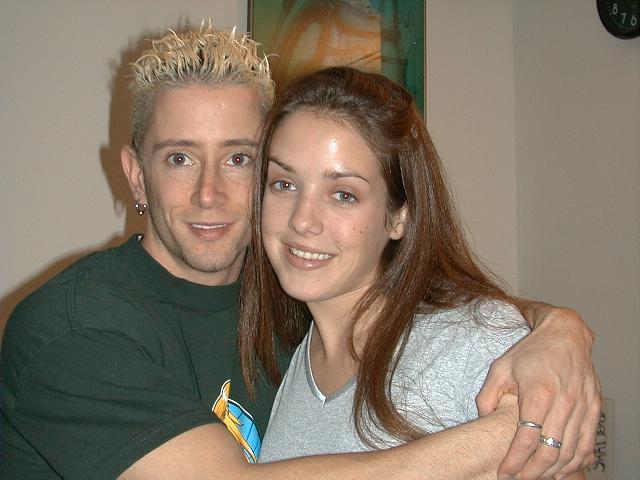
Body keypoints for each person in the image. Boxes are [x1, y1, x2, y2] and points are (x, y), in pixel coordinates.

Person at [0, 25, 599, 479]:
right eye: (179, 158)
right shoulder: (73, 328)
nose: (209, 193)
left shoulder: (291, 295)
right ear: (137, 176)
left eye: (239, 159)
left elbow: (450, 319)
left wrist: (559, 329)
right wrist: (502, 436)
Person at [239, 66, 586, 480]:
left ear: (399, 217)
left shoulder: (471, 344)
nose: (302, 220)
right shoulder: (293, 356)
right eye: (284, 184)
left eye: (343, 194)